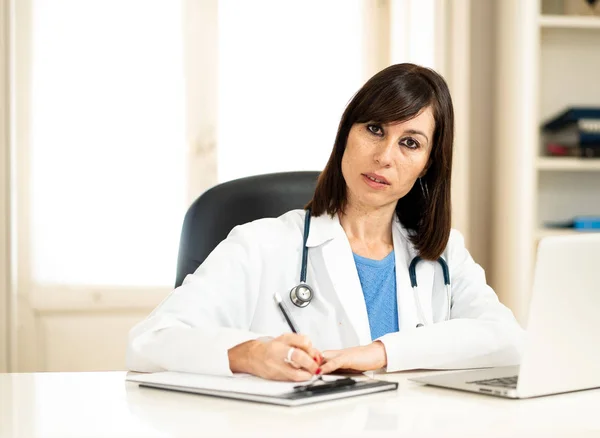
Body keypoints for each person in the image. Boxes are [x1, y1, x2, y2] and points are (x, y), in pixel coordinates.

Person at [126, 63, 524, 381]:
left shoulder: (443, 253)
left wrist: (381, 352)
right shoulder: (261, 245)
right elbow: (149, 341)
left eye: (410, 143)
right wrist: (248, 354)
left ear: (427, 165)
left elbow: (508, 340)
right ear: (345, 135)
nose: (385, 156)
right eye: (374, 129)